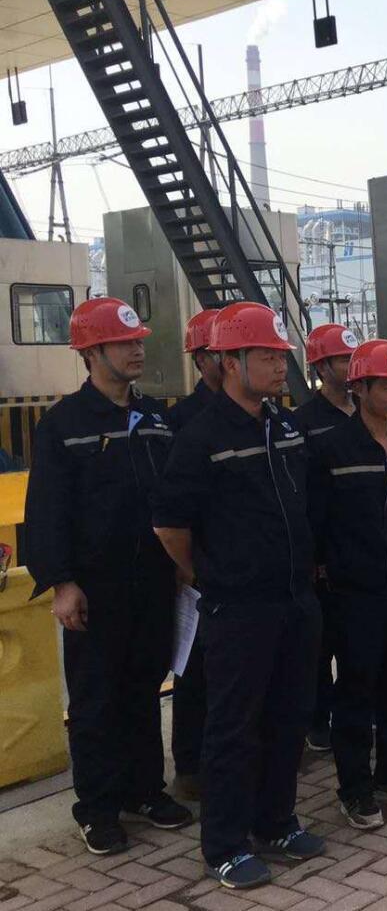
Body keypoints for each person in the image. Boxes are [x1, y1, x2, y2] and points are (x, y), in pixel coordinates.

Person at [153, 302, 325, 889]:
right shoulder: (200, 436)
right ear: (230, 362)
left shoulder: (285, 426)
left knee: (288, 717)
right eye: (267, 356)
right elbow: (169, 526)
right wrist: (208, 572)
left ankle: (276, 822)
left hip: (294, 600)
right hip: (238, 607)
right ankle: (224, 845)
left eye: (281, 356)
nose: (280, 366)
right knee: (233, 727)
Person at [25, 298, 191, 856]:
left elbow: (175, 499)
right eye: (125, 343)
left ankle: (144, 791)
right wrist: (62, 583)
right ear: (92, 352)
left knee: (144, 688)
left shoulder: (156, 418)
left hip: (153, 582)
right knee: (96, 700)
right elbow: (47, 510)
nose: (138, 349)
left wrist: (182, 567)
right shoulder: (64, 424)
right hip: (96, 589)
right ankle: (97, 809)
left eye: (139, 340)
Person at [308, 340, 387, 829]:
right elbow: (316, 519)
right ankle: (355, 787)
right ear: (359, 388)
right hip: (354, 591)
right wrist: (329, 568)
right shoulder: (331, 448)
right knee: (356, 688)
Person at [292, 322, 358, 753]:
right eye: (343, 360)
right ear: (320, 366)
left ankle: (352, 712)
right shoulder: (304, 423)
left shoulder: (366, 412)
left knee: (356, 640)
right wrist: (313, 555)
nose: (351, 367)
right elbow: (303, 495)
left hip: (361, 548)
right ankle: (318, 720)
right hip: (323, 554)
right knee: (320, 644)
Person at [166, 307, 222, 802]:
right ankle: (190, 766)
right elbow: (171, 510)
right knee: (195, 669)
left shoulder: (266, 418)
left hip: (243, 570)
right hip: (200, 570)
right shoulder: (181, 422)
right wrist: (186, 568)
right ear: (201, 359)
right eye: (219, 353)